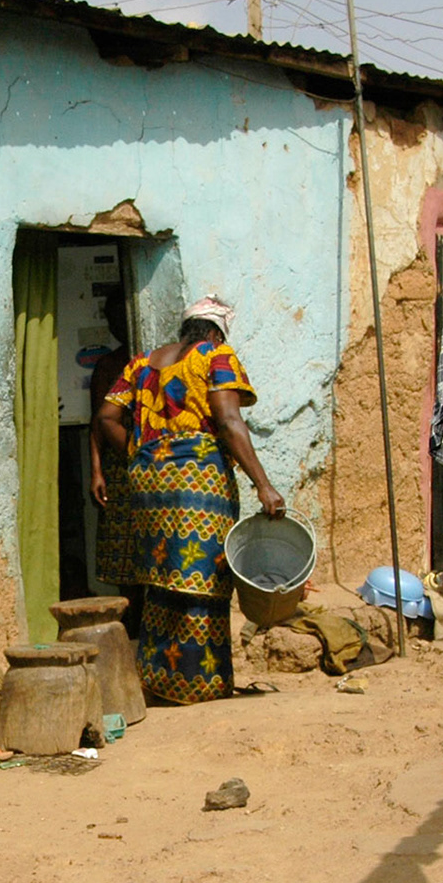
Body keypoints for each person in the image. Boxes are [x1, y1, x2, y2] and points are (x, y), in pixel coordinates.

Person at [94, 296, 284, 704]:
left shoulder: (142, 363)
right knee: (204, 578)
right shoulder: (215, 355)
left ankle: (159, 681)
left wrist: (139, 453)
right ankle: (200, 684)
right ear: (215, 331)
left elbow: (107, 416)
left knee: (161, 580)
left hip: (147, 482)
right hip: (198, 480)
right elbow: (229, 421)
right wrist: (263, 484)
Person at [86, 293, 143, 635]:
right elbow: (98, 422)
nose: (116, 325)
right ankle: (131, 629)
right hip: (119, 468)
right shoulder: (108, 366)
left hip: (153, 465)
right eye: (111, 318)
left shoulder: (153, 364)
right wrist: (96, 470)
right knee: (124, 555)